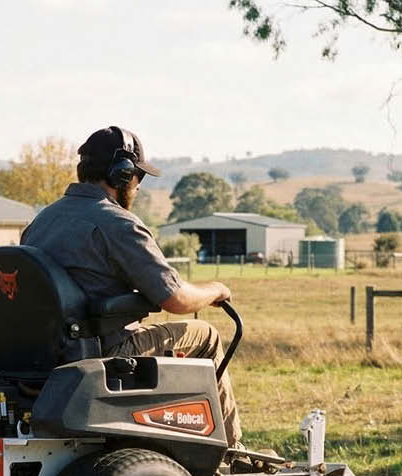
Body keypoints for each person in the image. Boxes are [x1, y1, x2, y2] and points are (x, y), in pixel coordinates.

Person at [21, 126, 241, 446]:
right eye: (138, 177)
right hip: (99, 350)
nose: (137, 186)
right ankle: (232, 450)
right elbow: (175, 298)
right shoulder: (118, 223)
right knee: (205, 335)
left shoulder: (42, 221)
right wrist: (216, 290)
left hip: (41, 353)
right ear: (122, 174)